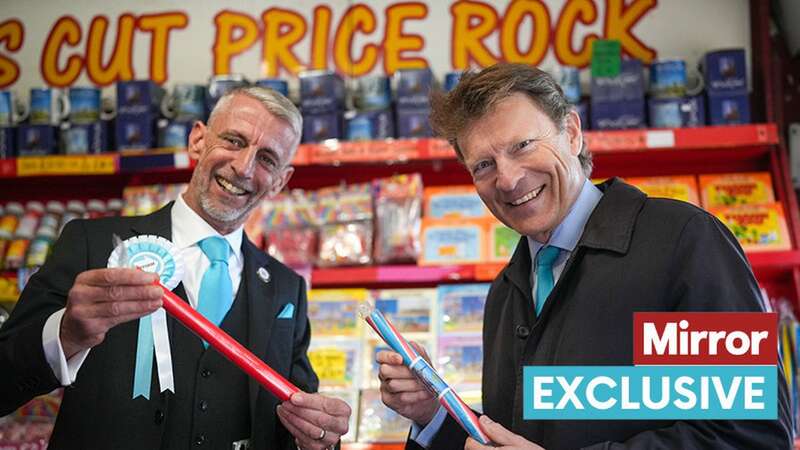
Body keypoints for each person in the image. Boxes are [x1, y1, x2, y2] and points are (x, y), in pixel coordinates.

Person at [376, 64, 793, 450]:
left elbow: (749, 433)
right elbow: (515, 438)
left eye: (522, 145)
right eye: (483, 165)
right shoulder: (506, 292)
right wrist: (432, 413)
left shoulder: (681, 243)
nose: (507, 178)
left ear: (572, 133)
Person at [0, 86, 350, 450]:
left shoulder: (285, 288)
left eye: (267, 159)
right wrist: (67, 333)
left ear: (281, 181)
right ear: (198, 140)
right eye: (233, 140)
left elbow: (301, 419)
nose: (244, 168)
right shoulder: (92, 244)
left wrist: (320, 437)